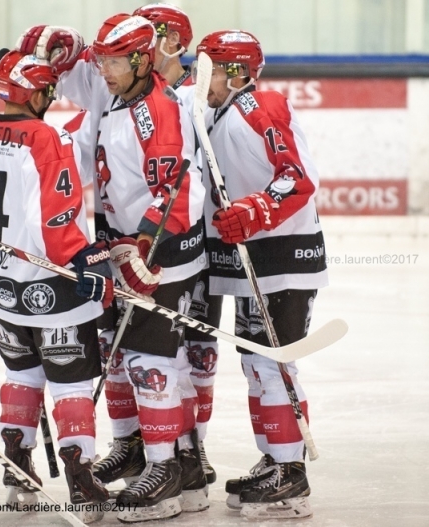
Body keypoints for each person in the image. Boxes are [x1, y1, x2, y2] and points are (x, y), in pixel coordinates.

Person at [16, 14, 208, 522]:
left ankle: (168, 469)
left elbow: (178, 193)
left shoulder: (157, 110)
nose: (104, 69)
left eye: (114, 60)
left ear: (144, 60)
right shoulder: (118, 98)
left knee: (153, 364)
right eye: (101, 59)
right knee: (119, 358)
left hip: (161, 256)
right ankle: (140, 451)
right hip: (123, 250)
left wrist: (145, 243)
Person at [0, 49, 114, 520]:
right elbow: (56, 219)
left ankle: (18, 465)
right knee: (70, 382)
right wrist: (86, 259)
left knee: (21, 374)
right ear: (32, 93)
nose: (52, 98)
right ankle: (81, 481)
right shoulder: (47, 138)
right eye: (47, 91)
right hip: (48, 285)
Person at [195, 30, 327, 520]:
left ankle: (291, 473)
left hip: (285, 255)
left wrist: (255, 210)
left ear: (237, 72)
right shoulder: (214, 112)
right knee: (255, 362)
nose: (197, 76)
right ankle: (275, 457)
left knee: (275, 363)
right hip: (249, 258)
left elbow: (296, 178)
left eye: (207, 68)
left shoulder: (262, 105)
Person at [133, 2, 219, 486]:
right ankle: (168, 452)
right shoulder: (143, 96)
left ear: (174, 42)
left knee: (197, 352)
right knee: (158, 352)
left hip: (199, 240)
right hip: (161, 239)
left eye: (155, 34)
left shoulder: (191, 94)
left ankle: (194, 452)